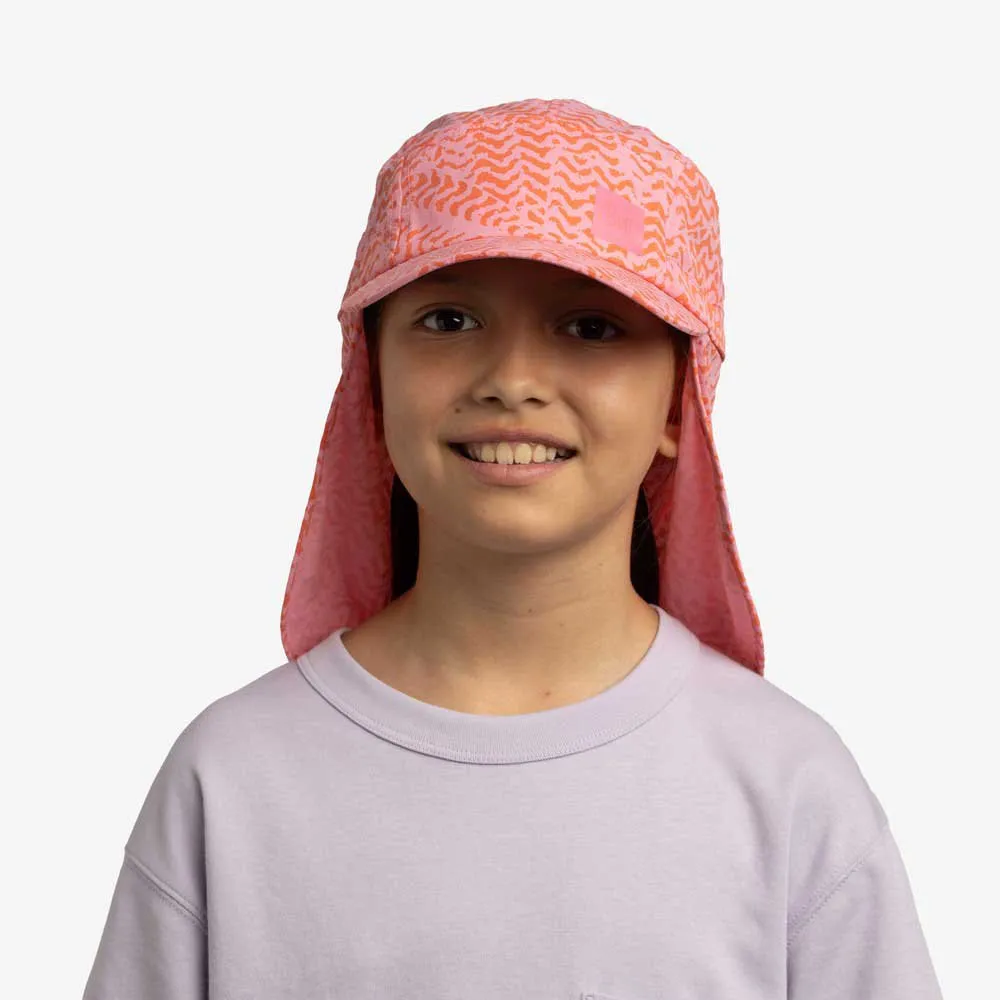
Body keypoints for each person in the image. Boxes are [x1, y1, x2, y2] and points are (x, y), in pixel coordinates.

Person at [82, 98, 944, 999]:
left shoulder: (788, 786)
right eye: (449, 320)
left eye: (592, 326)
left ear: (680, 399)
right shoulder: (232, 779)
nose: (513, 381)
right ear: (370, 378)